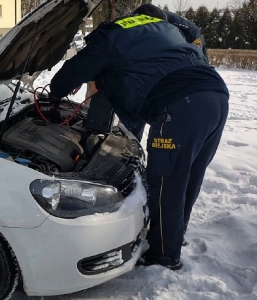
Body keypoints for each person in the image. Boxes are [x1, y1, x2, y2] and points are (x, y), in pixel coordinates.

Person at [48, 8, 229, 270]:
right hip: (216, 97)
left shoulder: (109, 37)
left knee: (165, 183)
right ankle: (174, 234)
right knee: (188, 175)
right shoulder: (161, 28)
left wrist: (56, 92)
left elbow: (70, 73)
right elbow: (143, 87)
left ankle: (164, 256)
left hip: (179, 108)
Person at [130, 4, 208, 141]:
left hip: (185, 78)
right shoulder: (136, 22)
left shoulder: (188, 32)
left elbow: (198, 64)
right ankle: (133, 139)